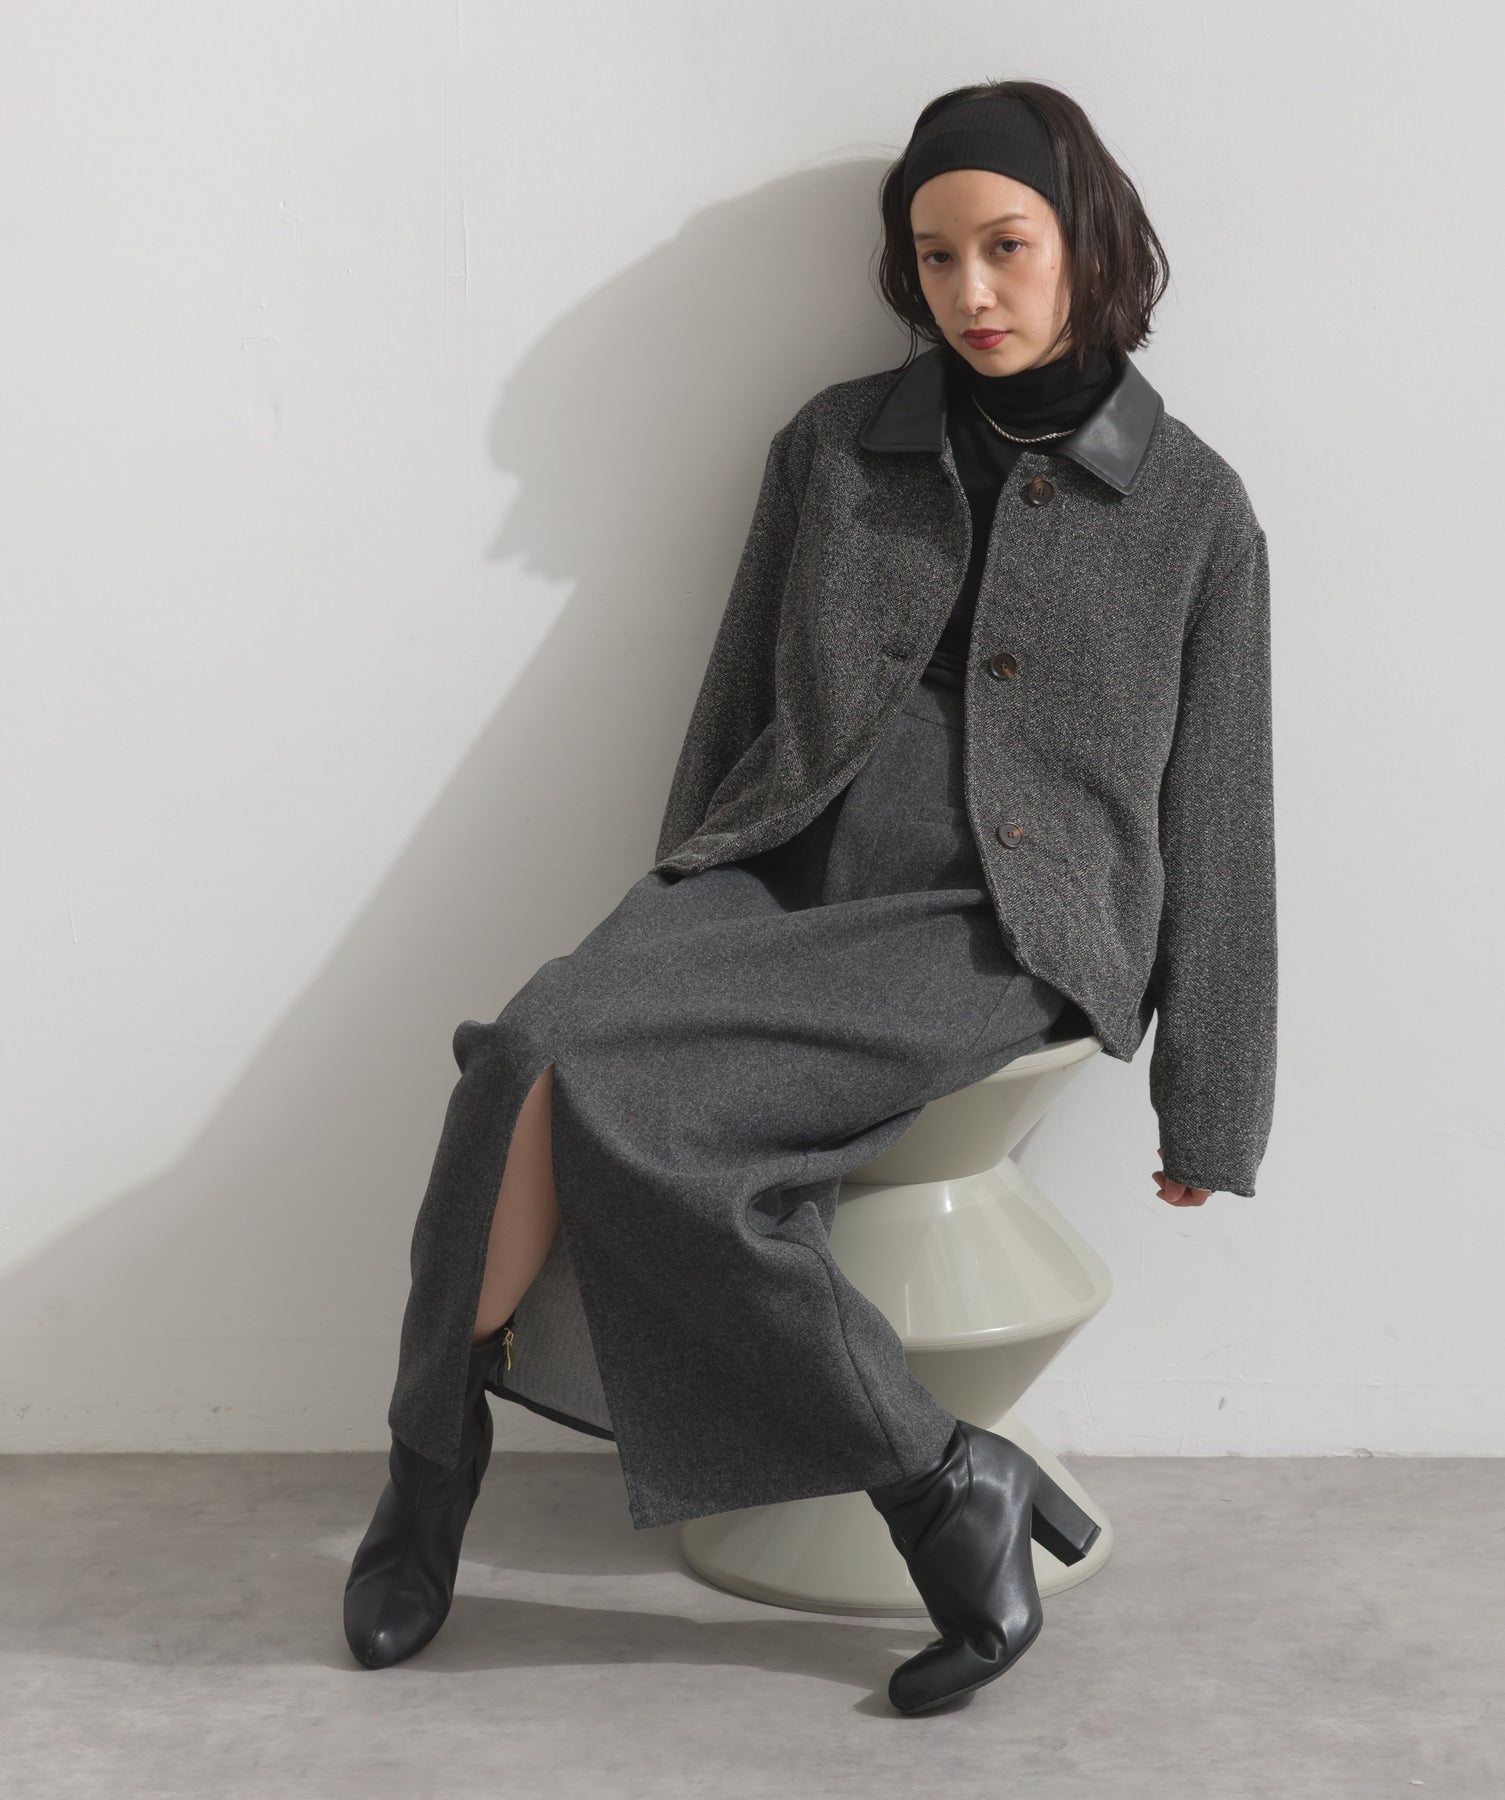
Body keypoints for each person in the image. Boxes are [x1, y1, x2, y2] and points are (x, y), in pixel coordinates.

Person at [343, 78, 1277, 1716]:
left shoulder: (1194, 509)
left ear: (1086, 240)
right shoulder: (835, 445)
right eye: (935, 257)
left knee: (661, 1142)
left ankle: (932, 1491)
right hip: (777, 859)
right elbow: (735, 698)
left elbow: (1221, 808)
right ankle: (437, 1468)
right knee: (531, 1051)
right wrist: (674, 899)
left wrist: (1211, 1105)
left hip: (995, 915)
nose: (969, 290)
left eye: (1005, 246)